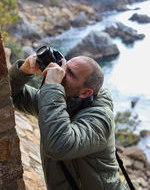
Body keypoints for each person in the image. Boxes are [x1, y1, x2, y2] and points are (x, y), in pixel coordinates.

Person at [9, 53, 126, 190]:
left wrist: (52, 86)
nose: (62, 71)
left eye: (70, 73)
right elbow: (10, 96)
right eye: (65, 64)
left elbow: (58, 146)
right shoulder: (60, 99)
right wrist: (23, 71)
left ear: (85, 93)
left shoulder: (100, 120)